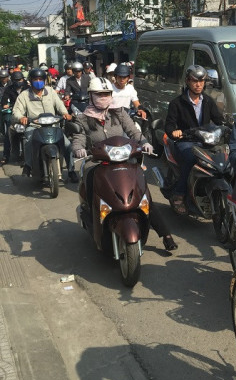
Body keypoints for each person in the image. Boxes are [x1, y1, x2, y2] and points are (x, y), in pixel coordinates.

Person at [70, 77, 177, 252]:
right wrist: (78, 149)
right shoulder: (83, 119)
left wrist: (145, 142)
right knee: (90, 179)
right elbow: (78, 138)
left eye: (106, 94)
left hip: (124, 160)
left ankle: (165, 234)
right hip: (97, 163)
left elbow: (133, 131)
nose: (103, 97)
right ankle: (92, 215)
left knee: (143, 192)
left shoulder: (119, 112)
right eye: (99, 94)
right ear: (91, 96)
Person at [164, 65, 224, 214]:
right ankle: (180, 194)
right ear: (187, 81)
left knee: (222, 159)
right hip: (185, 142)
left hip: (205, 141)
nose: (198, 84)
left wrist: (227, 126)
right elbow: (169, 125)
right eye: (194, 81)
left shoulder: (209, 101)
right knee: (192, 159)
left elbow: (219, 120)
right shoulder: (177, 103)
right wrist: (174, 132)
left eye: (201, 81)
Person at [11, 67, 78, 182]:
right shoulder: (24, 95)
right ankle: (28, 166)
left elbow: (59, 105)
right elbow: (16, 111)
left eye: (40, 79)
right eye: (35, 79)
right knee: (28, 142)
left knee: (67, 144)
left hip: (52, 126)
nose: (38, 81)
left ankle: (71, 170)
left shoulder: (51, 91)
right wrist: (21, 117)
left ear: (44, 80)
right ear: (30, 81)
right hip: (34, 126)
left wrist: (65, 113)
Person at [1, 71, 29, 163]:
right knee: (9, 132)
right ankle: (6, 155)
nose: (18, 81)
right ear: (12, 80)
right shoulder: (9, 89)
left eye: (20, 80)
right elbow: (4, 102)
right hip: (14, 114)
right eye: (16, 80)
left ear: (23, 79)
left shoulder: (28, 88)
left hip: (27, 114)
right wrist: (5, 104)